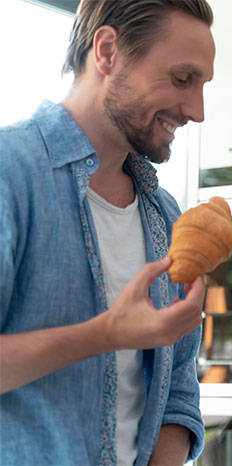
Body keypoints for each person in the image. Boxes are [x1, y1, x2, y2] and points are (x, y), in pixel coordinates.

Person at [0, 1, 215, 464]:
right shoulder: (9, 173)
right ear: (108, 51)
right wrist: (106, 333)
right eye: (182, 79)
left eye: (202, 86)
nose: (196, 111)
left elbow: (177, 392)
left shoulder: (167, 216)